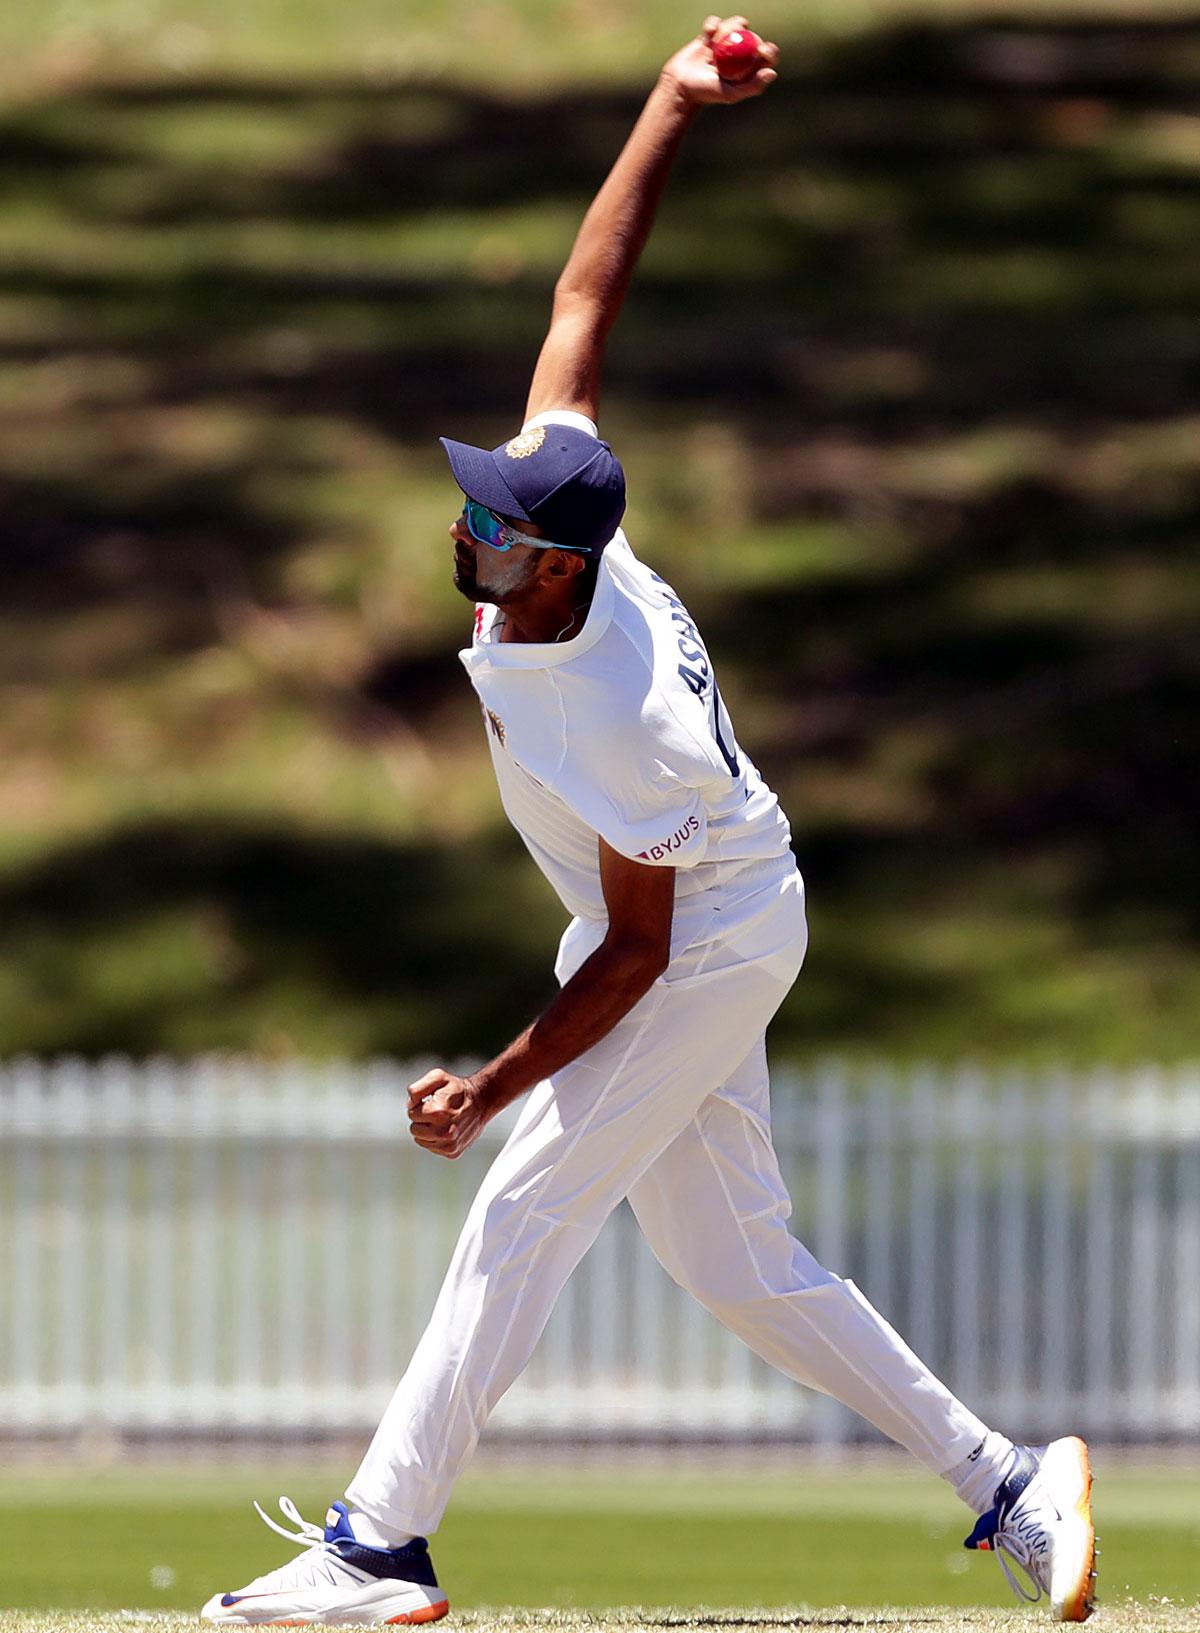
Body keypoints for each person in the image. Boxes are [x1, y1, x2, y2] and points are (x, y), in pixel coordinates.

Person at [202, 16, 1096, 1627]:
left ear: (553, 561)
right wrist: (671, 101)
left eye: (491, 520)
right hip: (697, 918)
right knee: (739, 1269)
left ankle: (377, 1545)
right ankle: (1011, 1481)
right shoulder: (565, 488)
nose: (466, 519)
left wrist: (490, 1084)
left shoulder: (625, 717)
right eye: (477, 498)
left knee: (526, 1196)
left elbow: (634, 953)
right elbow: (580, 298)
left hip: (696, 932)